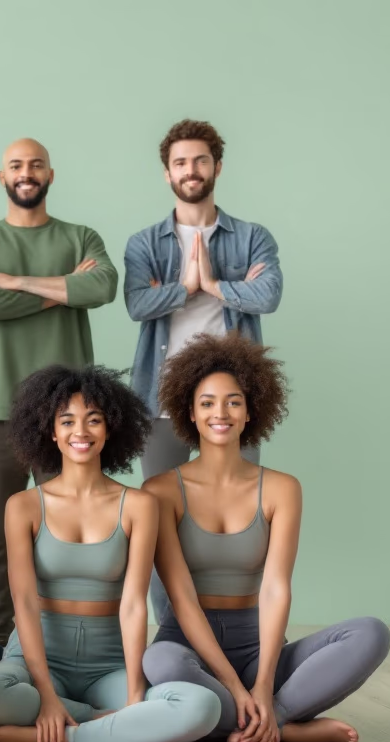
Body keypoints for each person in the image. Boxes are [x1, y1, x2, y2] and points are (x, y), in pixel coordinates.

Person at [141, 334, 390, 742]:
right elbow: (180, 598)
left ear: (250, 410)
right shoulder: (160, 491)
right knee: (161, 664)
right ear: (189, 412)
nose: (220, 412)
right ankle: (284, 727)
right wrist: (236, 687)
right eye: (207, 403)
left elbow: (276, 588)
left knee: (371, 633)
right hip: (187, 644)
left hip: (258, 644)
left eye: (233, 401)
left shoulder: (282, 489)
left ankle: (272, 716)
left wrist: (260, 683)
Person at [0, 365, 220, 742]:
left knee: (201, 705)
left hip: (109, 663)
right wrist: (48, 696)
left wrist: (136, 693)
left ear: (110, 428)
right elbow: (24, 603)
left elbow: (135, 605)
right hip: (38, 658)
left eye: (93, 420)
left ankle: (66, 734)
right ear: (51, 432)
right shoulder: (23, 506)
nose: (80, 432)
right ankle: (108, 723)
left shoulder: (138, 504)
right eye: (67, 421)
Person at [0, 138, 118, 663]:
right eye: (17, 166)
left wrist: (20, 282)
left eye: (36, 165)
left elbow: (103, 288)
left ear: (51, 173)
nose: (27, 173)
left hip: (69, 416)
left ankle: (62, 637)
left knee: (71, 528)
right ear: (1, 176)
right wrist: (62, 288)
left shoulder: (80, 235)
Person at [122, 120, 284, 622]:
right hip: (160, 398)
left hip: (233, 401)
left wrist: (212, 284)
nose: (190, 171)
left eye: (199, 160)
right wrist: (187, 288)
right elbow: (135, 303)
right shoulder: (145, 242)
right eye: (180, 163)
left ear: (217, 165)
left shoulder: (253, 236)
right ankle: (172, 631)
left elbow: (270, 295)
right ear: (166, 172)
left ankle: (243, 631)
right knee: (158, 522)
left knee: (244, 518)